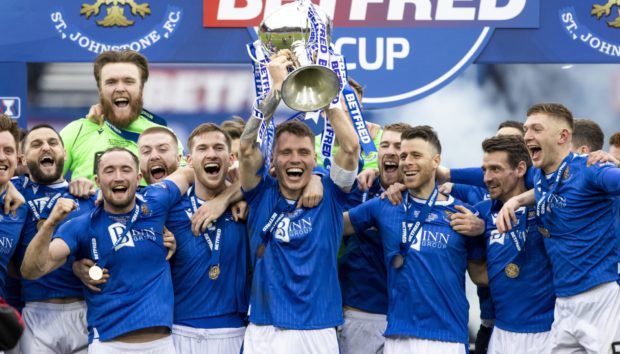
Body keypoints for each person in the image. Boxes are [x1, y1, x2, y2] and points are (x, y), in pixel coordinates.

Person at [239, 53, 360, 354]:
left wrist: (320, 93)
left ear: (315, 159)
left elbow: (351, 146)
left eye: (303, 153)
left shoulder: (332, 193)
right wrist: (276, 93)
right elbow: (245, 146)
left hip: (316, 330)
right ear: (274, 161)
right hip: (264, 329)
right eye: (286, 152)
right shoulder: (260, 193)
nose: (295, 159)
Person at [21, 147, 195, 353]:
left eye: (126, 169)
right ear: (97, 181)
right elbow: (31, 270)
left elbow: (190, 172)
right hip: (108, 345)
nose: (118, 177)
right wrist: (50, 224)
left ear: (138, 177)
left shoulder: (156, 200)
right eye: (109, 170)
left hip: (162, 345)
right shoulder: (81, 225)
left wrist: (221, 202)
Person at [343, 126, 487, 354]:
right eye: (403, 156)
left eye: (415, 155)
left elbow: (481, 275)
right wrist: (316, 182)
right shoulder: (385, 205)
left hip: (447, 339)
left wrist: (484, 230)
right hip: (398, 338)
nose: (406, 162)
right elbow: (332, 226)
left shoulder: (464, 215)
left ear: (435, 161)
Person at [502, 103, 620, 354]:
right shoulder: (539, 175)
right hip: (564, 303)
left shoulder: (592, 168)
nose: (527, 136)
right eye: (526, 129)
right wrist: (516, 200)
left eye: (536, 129)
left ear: (563, 136)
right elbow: (545, 189)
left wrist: (617, 165)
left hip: (602, 299)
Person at [166, 123, 249, 354]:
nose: (211, 153)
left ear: (230, 157)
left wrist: (227, 198)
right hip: (179, 330)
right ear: (189, 160)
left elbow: (265, 173)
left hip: (234, 331)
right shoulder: (171, 208)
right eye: (202, 148)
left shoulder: (245, 205)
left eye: (218, 147)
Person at [14, 124, 97, 354]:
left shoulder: (88, 196)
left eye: (52, 142)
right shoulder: (12, 192)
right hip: (35, 312)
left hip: (84, 308)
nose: (45, 147)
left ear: (65, 153)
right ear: (22, 158)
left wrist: (86, 269)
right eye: (36, 144)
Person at [475, 135, 555, 354]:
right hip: (501, 334)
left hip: (549, 332)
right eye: (484, 170)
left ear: (520, 169)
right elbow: (477, 275)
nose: (486, 178)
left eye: (495, 169)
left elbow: (567, 182)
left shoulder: (549, 207)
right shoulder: (481, 213)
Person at [338, 122, 411, 354]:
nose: (390, 151)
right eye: (384, 145)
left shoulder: (425, 196)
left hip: (409, 318)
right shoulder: (359, 187)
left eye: (398, 146)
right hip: (361, 313)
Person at [60, 50, 183, 183]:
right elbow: (41, 185)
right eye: (111, 82)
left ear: (141, 88)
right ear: (100, 90)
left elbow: (187, 178)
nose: (120, 88)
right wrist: (70, 193)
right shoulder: (76, 131)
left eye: (128, 81)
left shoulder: (163, 135)